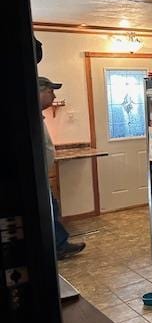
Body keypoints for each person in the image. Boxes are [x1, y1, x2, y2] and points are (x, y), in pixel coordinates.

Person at [39, 76, 86, 259]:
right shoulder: (28, 115)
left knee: (52, 208)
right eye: (51, 91)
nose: (54, 95)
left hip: (41, 174)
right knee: (50, 210)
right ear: (39, 91)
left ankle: (59, 245)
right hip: (36, 176)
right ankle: (59, 246)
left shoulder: (37, 115)